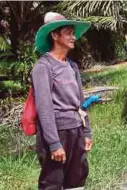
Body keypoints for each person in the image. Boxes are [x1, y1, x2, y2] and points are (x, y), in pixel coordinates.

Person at [31, 12, 93, 189]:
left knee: (77, 180)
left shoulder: (72, 66)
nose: (74, 37)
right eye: (68, 32)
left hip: (76, 131)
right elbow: (44, 108)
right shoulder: (43, 67)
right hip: (57, 134)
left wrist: (87, 132)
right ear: (55, 35)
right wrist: (54, 143)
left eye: (73, 32)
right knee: (53, 182)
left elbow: (80, 104)